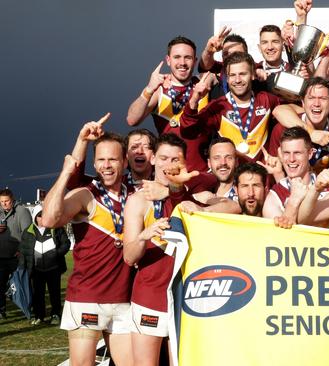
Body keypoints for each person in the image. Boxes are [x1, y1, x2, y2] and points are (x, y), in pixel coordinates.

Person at [41, 130, 134, 366]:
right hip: (86, 299)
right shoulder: (86, 194)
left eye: (113, 159)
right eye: (101, 160)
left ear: (124, 161)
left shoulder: (133, 195)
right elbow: (50, 220)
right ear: (94, 163)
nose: (107, 165)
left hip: (123, 300)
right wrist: (65, 173)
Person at [122, 133, 206, 366]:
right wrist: (143, 236)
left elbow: (231, 206)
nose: (169, 165)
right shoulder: (137, 201)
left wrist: (173, 192)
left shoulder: (193, 196)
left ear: (184, 163)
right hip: (150, 296)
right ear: (153, 160)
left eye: (175, 160)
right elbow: (129, 257)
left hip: (185, 296)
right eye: (164, 158)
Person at [126, 36, 211, 172]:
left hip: (200, 171)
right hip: (169, 173)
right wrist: (148, 89)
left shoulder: (204, 84)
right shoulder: (159, 89)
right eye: (177, 57)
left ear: (195, 61)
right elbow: (132, 119)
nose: (182, 62)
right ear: (168, 60)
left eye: (187, 57)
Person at [180, 52, 280, 162]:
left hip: (262, 175)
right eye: (232, 75)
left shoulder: (267, 100)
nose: (237, 80)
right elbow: (188, 131)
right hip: (232, 176)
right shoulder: (218, 106)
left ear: (252, 75)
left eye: (242, 74)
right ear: (226, 78)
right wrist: (194, 99)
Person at [270, 74, 329, 171]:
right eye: (311, 98)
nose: (316, 104)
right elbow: (274, 171)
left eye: (323, 99)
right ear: (303, 102)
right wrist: (310, 133)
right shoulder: (282, 129)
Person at [19, 205, 70, 325]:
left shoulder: (56, 228)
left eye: (45, 215)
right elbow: (23, 250)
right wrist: (23, 267)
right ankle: (39, 316)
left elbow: (66, 244)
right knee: (38, 294)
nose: (42, 218)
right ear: (35, 217)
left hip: (54, 268)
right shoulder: (28, 232)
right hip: (36, 270)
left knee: (55, 293)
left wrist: (56, 253)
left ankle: (55, 314)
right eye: (40, 216)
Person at [0, 188, 32, 319]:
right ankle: (1, 310)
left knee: (22, 284)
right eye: (1, 202)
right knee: (0, 284)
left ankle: (27, 307)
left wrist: (21, 250)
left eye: (6, 201)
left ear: (12, 200)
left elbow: (28, 233)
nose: (4, 204)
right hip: (1, 257)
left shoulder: (22, 211)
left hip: (16, 256)